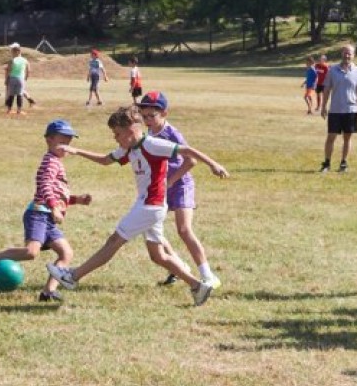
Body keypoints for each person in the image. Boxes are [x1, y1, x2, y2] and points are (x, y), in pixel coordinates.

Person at [46, 105, 229, 306]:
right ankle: (197, 286)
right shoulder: (128, 148)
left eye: (117, 134)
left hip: (151, 205)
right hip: (149, 205)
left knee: (114, 240)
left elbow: (187, 151)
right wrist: (77, 151)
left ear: (131, 130)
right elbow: (106, 160)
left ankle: (73, 276)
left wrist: (214, 164)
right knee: (158, 256)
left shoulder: (152, 144)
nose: (115, 138)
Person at [0, 120, 91, 302]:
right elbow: (44, 185)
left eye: (69, 141)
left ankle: (48, 291)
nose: (67, 145)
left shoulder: (57, 162)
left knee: (66, 254)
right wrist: (54, 207)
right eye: (62, 140)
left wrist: (76, 200)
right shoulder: (50, 162)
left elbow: (58, 193)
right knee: (30, 252)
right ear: (49, 140)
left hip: (49, 217)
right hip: (39, 214)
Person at [137, 91, 221, 290]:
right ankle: (177, 265)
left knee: (184, 230)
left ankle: (208, 275)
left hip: (181, 184)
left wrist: (172, 181)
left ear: (164, 113)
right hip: (162, 187)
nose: (148, 120)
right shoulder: (148, 133)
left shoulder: (171, 133)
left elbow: (191, 160)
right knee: (150, 226)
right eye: (145, 116)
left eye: (152, 116)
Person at [319, 44, 357, 173]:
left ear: (353, 55)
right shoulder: (332, 70)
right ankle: (327, 163)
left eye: (349, 53)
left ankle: (343, 163)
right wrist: (323, 106)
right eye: (345, 52)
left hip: (351, 110)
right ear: (341, 54)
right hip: (335, 110)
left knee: (347, 137)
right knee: (331, 136)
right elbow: (327, 89)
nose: (347, 55)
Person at [4, 43, 31, 115]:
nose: (11, 53)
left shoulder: (12, 60)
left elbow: (9, 70)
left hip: (12, 79)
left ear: (16, 52)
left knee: (11, 95)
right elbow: (28, 70)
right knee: (20, 95)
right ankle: (19, 111)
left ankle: (9, 110)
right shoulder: (25, 60)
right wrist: (26, 78)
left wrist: (6, 79)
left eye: (12, 51)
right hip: (20, 79)